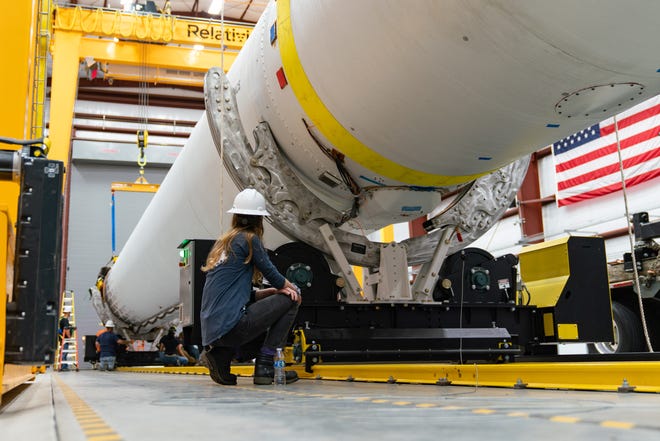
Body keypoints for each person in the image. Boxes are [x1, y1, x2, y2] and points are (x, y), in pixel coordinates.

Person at [200, 188, 301, 386]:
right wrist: (288, 288)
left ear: (236, 216)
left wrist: (269, 293)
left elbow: (236, 295)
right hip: (232, 326)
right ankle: (267, 365)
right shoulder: (249, 239)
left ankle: (221, 355)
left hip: (214, 331)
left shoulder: (224, 243)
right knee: (294, 296)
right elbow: (273, 274)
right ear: (259, 220)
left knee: (281, 296)